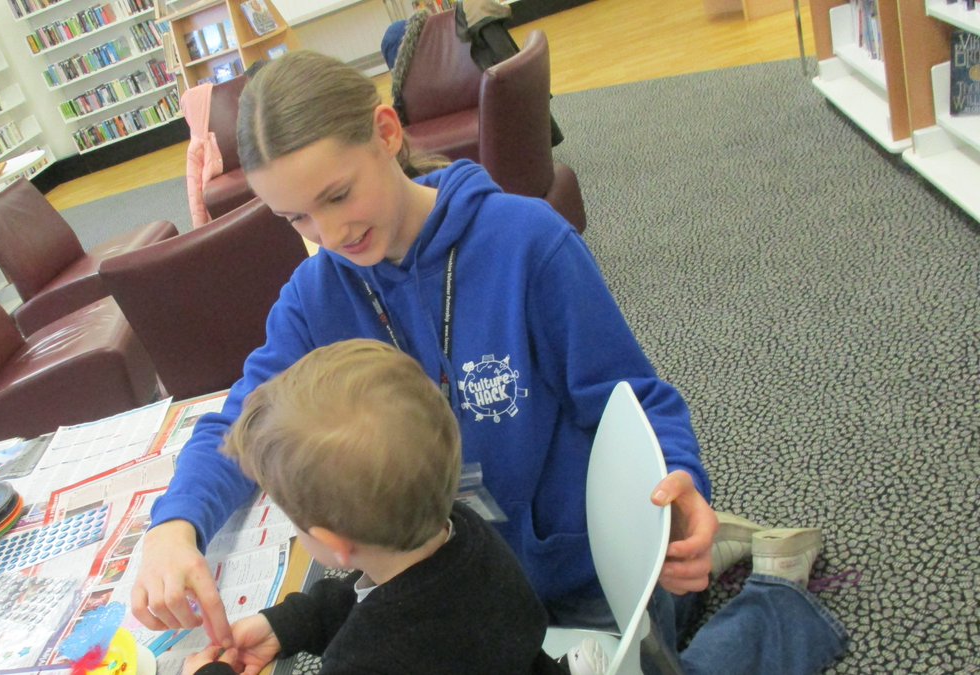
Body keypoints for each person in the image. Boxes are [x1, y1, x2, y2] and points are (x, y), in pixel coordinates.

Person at [132, 50, 847, 674]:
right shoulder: (318, 293)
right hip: (449, 578)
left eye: (338, 195)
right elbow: (240, 419)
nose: (330, 233)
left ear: (387, 133)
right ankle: (706, 565)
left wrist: (680, 479)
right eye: (297, 219)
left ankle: (777, 600)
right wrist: (175, 525)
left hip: (573, 567)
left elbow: (633, 398)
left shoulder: (525, 241)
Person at [180, 340, 576, 675]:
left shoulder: (365, 660)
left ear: (331, 543)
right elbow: (378, 598)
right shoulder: (466, 530)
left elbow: (388, 626)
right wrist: (289, 624)